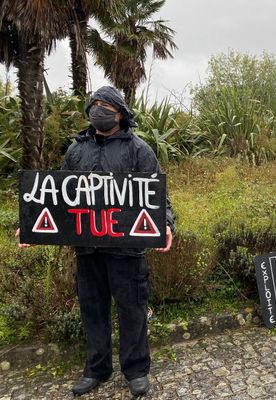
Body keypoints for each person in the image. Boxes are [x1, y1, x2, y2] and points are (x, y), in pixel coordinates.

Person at [16, 86, 175, 396]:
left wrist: (165, 224)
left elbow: (157, 195)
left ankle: (136, 370)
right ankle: (96, 369)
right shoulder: (76, 151)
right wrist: (32, 225)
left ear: (120, 113)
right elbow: (57, 195)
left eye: (105, 106)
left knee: (132, 310)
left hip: (127, 251)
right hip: (87, 250)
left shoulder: (138, 149)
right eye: (95, 105)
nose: (98, 111)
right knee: (92, 310)